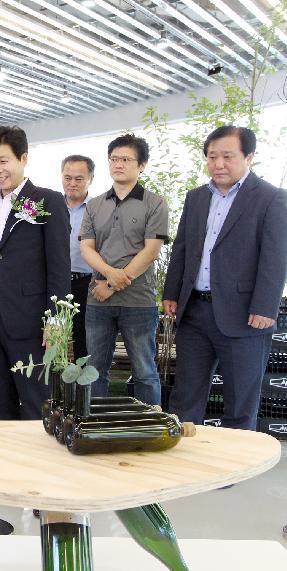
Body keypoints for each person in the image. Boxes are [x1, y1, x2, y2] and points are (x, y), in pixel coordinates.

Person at [164, 125, 287, 429]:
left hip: (245, 316)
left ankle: (234, 462)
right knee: (184, 399)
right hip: (194, 312)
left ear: (249, 157)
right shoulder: (196, 197)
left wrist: (265, 307)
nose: (218, 164)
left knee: (240, 404)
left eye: (227, 156)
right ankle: (186, 457)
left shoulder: (271, 198)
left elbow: (275, 257)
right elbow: (182, 248)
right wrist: (171, 293)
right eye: (212, 156)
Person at [0, 126, 70, 420]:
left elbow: (59, 266)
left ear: (23, 158)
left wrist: (56, 319)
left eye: (3, 161)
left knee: (36, 403)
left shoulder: (48, 201)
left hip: (32, 322)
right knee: (0, 404)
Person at [80, 134, 168, 405]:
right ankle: (95, 424)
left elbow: (151, 251)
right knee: (94, 371)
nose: (118, 164)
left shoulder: (155, 203)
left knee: (144, 372)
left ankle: (150, 424)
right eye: (114, 159)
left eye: (126, 159)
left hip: (138, 301)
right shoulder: (94, 205)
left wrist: (112, 283)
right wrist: (109, 275)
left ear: (142, 165)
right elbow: (87, 248)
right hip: (98, 300)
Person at [61, 155, 95, 360]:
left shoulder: (98, 208)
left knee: (84, 340)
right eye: (67, 178)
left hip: (86, 284)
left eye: (78, 179)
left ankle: (82, 380)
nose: (72, 183)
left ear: (91, 179)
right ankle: (53, 381)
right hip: (56, 283)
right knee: (53, 339)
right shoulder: (51, 206)